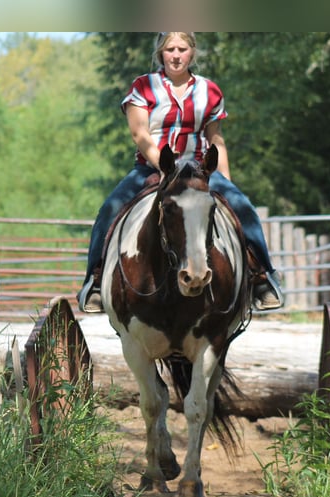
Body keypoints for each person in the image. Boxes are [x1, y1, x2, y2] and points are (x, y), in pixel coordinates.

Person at [78, 32, 284, 313]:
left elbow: (216, 140)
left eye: (182, 49)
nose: (176, 55)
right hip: (152, 168)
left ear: (192, 53)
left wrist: (224, 180)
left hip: (199, 170)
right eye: (170, 49)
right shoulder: (143, 87)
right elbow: (140, 134)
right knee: (109, 210)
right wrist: (166, 169)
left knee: (244, 209)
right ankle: (96, 279)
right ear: (161, 53)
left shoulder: (209, 91)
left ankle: (261, 277)